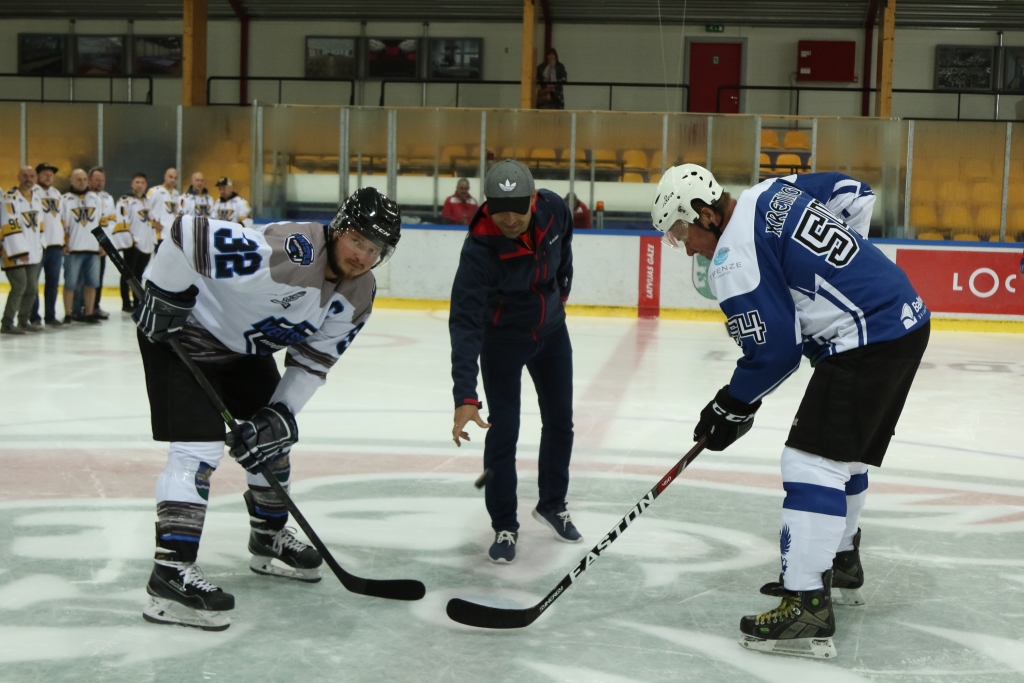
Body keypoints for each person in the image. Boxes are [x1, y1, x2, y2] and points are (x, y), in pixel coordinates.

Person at [652, 164, 930, 659]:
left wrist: (731, 405)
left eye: (680, 232)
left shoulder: (733, 259)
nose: (687, 248)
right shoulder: (771, 190)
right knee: (844, 456)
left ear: (705, 214)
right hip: (902, 314)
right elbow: (855, 192)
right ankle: (840, 560)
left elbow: (776, 354)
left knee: (810, 462)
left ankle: (806, 604)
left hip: (869, 335)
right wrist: (848, 271)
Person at [134, 187, 401, 631]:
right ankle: (170, 572)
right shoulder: (290, 254)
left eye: (376, 250)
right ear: (338, 229)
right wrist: (163, 292)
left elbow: (314, 361)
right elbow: (185, 234)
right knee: (198, 452)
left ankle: (268, 535)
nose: (363, 256)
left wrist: (280, 414)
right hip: (184, 335)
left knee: (271, 439)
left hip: (245, 347)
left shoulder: (359, 292)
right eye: (358, 240)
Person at [449, 159, 578, 564]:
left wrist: (561, 293)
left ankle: (552, 504)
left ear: (533, 200)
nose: (509, 219)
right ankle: (505, 523)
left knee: (560, 421)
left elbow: (564, 248)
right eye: (499, 209)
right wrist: (465, 395)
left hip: (551, 334)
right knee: (504, 431)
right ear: (488, 204)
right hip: (502, 341)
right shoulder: (479, 249)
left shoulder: (554, 209)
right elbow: (465, 322)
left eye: (517, 209)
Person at [1, 166, 44, 335]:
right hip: (13, 252)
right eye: (25, 175)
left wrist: (41, 244)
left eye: (32, 175)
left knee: (32, 288)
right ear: (19, 177)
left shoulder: (37, 197)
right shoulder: (10, 198)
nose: (29, 178)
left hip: (34, 251)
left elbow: (40, 225)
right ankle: (7, 323)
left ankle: (24, 320)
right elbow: (9, 225)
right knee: (20, 286)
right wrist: (20, 251)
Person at [61, 168, 107, 325]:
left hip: (93, 249)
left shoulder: (96, 199)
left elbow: (101, 223)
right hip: (73, 249)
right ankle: (68, 314)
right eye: (78, 179)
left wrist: (103, 244)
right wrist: (64, 243)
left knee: (92, 283)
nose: (82, 182)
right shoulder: (65, 200)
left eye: (84, 179)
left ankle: (89, 313)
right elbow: (62, 225)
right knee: (70, 283)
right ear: (71, 180)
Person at [30, 162, 66, 327]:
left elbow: (61, 219)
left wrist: (63, 240)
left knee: (52, 283)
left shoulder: (57, 193)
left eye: (51, 174)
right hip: (39, 245)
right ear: (37, 175)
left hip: (56, 244)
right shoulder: (32, 192)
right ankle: (34, 316)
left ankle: (50, 316)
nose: (48, 177)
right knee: (33, 284)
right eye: (45, 174)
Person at [116, 173, 157, 311]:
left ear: (146, 185)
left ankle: (137, 301)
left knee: (139, 274)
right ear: (132, 184)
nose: (140, 185)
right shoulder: (124, 200)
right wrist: (128, 241)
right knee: (128, 275)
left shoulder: (147, 202)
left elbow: (151, 222)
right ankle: (126, 303)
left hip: (146, 244)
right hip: (132, 244)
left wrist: (152, 240)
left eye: (142, 183)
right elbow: (122, 221)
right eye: (137, 182)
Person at [84, 167, 119, 320]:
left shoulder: (108, 198)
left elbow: (111, 222)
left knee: (97, 277)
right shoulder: (83, 196)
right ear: (89, 180)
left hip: (102, 243)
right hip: (84, 243)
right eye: (96, 180)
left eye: (102, 180)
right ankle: (81, 307)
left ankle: (95, 306)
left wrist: (104, 243)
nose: (99, 183)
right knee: (82, 278)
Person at [146, 168, 181, 245]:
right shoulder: (154, 191)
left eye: (175, 178)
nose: (173, 180)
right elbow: (145, 207)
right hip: (159, 234)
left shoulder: (176, 194)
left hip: (173, 235)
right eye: (170, 177)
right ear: (165, 176)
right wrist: (153, 222)